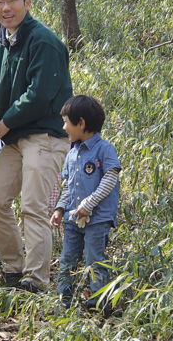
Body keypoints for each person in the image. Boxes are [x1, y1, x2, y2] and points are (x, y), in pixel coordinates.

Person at [0, 0, 73, 293]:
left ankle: (36, 280)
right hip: (15, 139)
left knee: (34, 207)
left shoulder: (42, 40)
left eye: (12, 0)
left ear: (27, 3)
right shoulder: (2, 41)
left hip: (45, 137)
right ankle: (13, 270)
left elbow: (41, 93)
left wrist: (7, 121)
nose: (5, 7)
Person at [50, 95, 121, 315]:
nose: (64, 127)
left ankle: (98, 304)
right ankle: (64, 301)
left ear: (81, 123)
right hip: (73, 217)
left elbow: (110, 178)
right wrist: (60, 208)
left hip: (98, 219)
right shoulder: (71, 153)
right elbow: (68, 186)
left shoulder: (104, 149)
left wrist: (89, 203)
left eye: (66, 122)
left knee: (95, 259)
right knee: (67, 259)